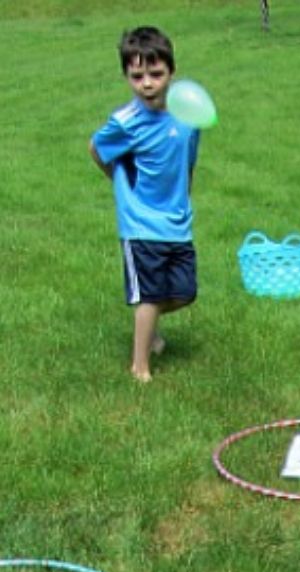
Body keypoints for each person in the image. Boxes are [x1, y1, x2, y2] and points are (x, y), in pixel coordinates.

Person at [89, 27, 201, 382]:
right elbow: (96, 149)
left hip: (177, 220)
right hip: (140, 223)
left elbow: (188, 160)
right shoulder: (125, 122)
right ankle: (140, 365)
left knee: (184, 293)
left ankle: (146, 321)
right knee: (151, 294)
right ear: (127, 77)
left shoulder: (188, 116)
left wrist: (186, 193)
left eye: (156, 74)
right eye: (137, 76)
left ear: (171, 71)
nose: (147, 84)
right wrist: (121, 183)